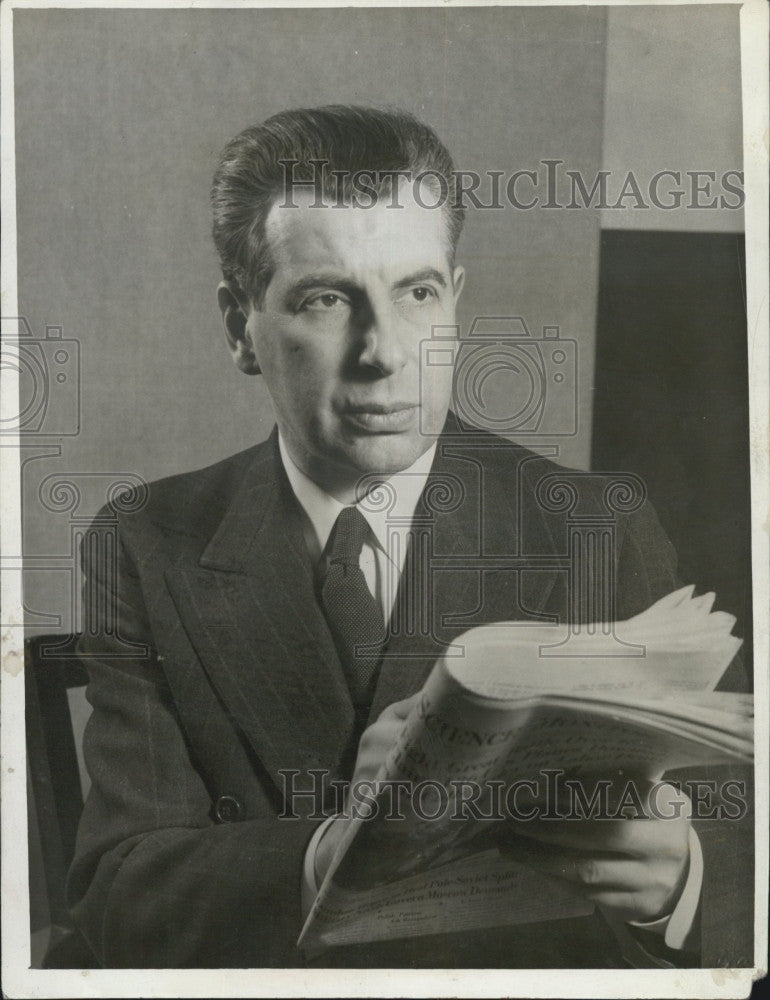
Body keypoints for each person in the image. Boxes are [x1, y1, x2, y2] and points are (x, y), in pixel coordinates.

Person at [67, 106, 751, 969]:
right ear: (240, 325)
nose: (384, 352)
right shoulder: (146, 542)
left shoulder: (596, 526)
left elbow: (743, 840)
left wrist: (681, 880)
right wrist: (334, 853)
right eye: (327, 299)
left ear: (455, 302)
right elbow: (118, 896)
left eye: (416, 293)